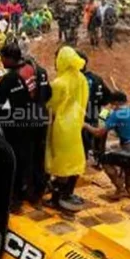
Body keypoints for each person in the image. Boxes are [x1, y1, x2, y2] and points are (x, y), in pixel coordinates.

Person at [0, 41, 51, 209]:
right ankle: (36, 196)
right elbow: (48, 94)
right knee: (38, 159)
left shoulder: (9, 78)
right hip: (41, 122)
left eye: (1, 57)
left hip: (22, 126)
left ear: (9, 58)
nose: (0, 61)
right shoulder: (41, 72)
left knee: (18, 160)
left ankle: (15, 200)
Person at [86, 90, 130, 200]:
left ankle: (120, 189)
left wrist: (85, 125)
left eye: (112, 105)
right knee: (127, 163)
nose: (112, 107)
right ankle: (129, 190)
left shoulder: (116, 114)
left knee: (105, 160)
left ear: (116, 103)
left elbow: (99, 133)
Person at [46, 46, 88, 212]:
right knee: (74, 161)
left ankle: (55, 199)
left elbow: (51, 106)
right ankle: (67, 194)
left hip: (62, 127)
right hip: (76, 124)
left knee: (61, 164)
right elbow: (84, 100)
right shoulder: (82, 79)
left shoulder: (59, 83)